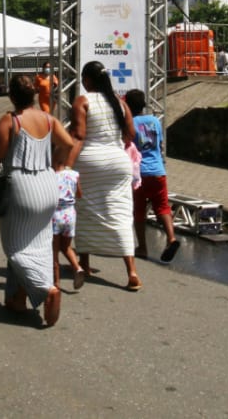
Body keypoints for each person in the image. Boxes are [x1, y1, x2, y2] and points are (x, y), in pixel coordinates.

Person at [0, 74, 75, 327]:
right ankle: (17, 299)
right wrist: (56, 164)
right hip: (47, 186)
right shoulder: (49, 119)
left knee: (16, 248)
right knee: (39, 243)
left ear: (11, 96)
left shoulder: (11, 121)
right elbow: (68, 143)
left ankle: (47, 289)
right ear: (32, 96)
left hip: (21, 188)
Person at [69, 60, 141, 291]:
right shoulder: (120, 103)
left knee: (86, 210)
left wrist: (66, 167)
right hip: (119, 163)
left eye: (82, 79)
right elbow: (130, 134)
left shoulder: (83, 101)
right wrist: (114, 146)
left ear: (88, 80)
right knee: (120, 213)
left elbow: (79, 136)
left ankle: (85, 263)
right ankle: (131, 272)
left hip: (90, 162)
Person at [125, 89, 179, 263]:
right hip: (158, 172)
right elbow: (160, 144)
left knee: (138, 211)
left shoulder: (130, 123)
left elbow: (126, 146)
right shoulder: (155, 121)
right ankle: (171, 238)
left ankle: (142, 247)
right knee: (162, 207)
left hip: (139, 174)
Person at [52, 161, 83, 288]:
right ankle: (77, 268)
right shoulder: (74, 174)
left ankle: (56, 282)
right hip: (70, 215)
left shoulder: (50, 175)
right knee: (66, 247)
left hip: (55, 215)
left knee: (53, 251)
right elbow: (79, 195)